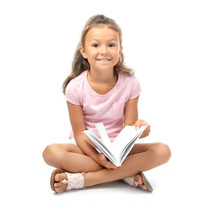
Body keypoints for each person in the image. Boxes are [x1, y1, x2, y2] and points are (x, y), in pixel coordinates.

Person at [42, 14, 171, 193]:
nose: (104, 51)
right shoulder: (75, 87)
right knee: (51, 152)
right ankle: (125, 173)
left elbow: (130, 127)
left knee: (163, 151)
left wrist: (142, 129)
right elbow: (79, 135)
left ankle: (81, 180)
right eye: (95, 45)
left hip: (120, 150)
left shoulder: (130, 83)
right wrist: (99, 158)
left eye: (111, 45)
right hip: (87, 150)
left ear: (120, 50)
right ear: (83, 51)